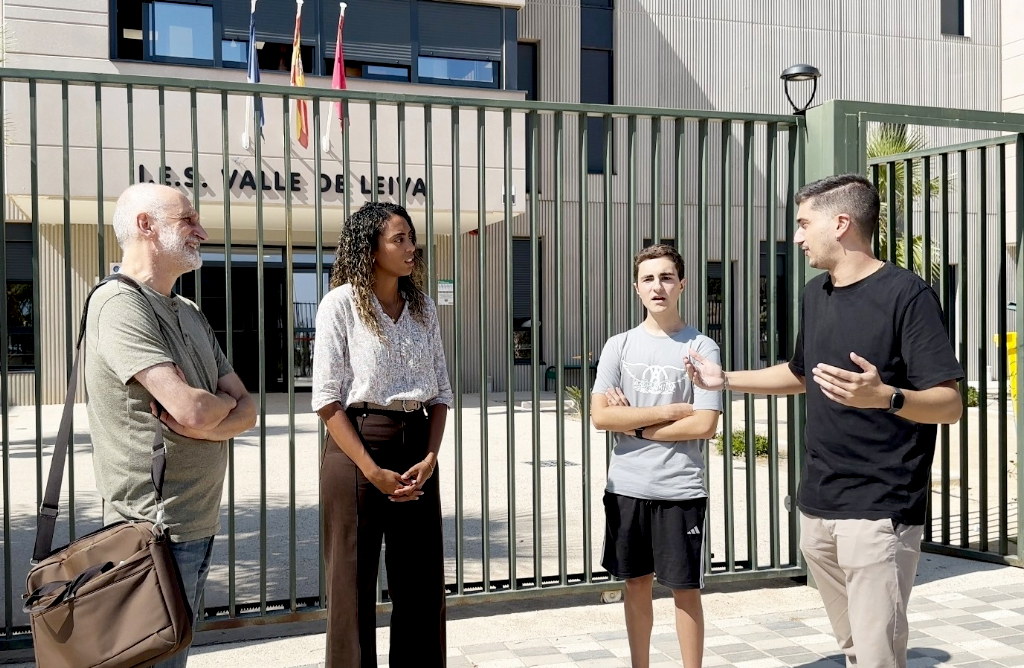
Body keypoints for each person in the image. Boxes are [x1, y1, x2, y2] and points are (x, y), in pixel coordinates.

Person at [686, 174, 964, 668]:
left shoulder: (908, 295)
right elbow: (799, 373)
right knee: (855, 650)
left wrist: (886, 396)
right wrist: (723, 379)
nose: (796, 237)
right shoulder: (818, 294)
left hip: (879, 509)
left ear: (840, 223)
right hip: (819, 507)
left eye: (802, 223)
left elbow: (949, 404)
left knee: (879, 655)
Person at [85, 183, 257, 668]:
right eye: (187, 220)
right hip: (151, 533)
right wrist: (212, 409)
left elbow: (245, 408)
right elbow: (194, 409)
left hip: (195, 524)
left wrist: (209, 413)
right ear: (146, 225)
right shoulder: (119, 305)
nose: (201, 231)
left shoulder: (190, 312)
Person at [312, 201, 452, 668]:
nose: (412, 247)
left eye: (412, 237)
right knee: (351, 588)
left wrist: (430, 458)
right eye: (400, 239)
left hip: (417, 449)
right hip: (357, 447)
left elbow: (441, 393)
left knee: (420, 583)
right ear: (370, 248)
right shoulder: (341, 304)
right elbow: (327, 398)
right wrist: (371, 470)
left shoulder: (423, 307)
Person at [590, 244, 723, 668]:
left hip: (680, 490)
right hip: (626, 486)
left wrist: (633, 421)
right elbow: (599, 416)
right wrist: (665, 412)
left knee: (685, 591)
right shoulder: (619, 345)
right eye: (648, 279)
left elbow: (704, 424)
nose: (658, 286)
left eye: (666, 277)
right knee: (636, 585)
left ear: (681, 284)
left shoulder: (701, 347)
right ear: (637, 288)